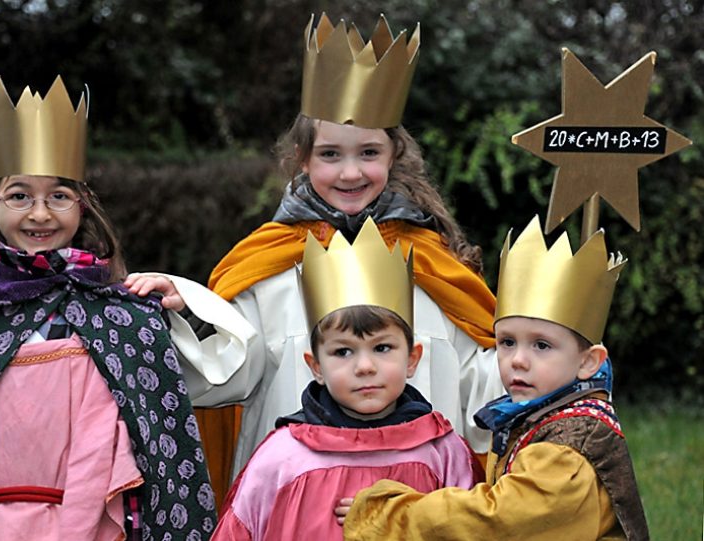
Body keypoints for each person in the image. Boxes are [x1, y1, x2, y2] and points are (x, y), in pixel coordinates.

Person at [190, 12, 504, 503]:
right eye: (331, 154)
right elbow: (233, 371)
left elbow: (474, 377)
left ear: (394, 156)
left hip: (417, 496)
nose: (351, 172)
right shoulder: (266, 265)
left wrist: (551, 341)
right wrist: (177, 322)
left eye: (369, 153)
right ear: (303, 159)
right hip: (295, 498)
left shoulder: (432, 261)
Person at [0, 76, 220, 540]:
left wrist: (183, 301)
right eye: (19, 195)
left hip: (95, 526)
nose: (40, 214)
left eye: (58, 197)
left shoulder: (122, 315)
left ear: (83, 208)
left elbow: (173, 431)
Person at [340, 217, 650, 541]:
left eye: (542, 345)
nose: (517, 359)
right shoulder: (538, 415)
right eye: (507, 342)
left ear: (589, 362)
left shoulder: (568, 447)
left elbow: (497, 522)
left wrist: (390, 515)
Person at [211, 218, 481, 540]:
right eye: (343, 352)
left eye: (382, 348)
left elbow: (474, 528)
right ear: (316, 367)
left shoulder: (443, 453)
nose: (365, 366)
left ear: (412, 359)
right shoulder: (281, 458)